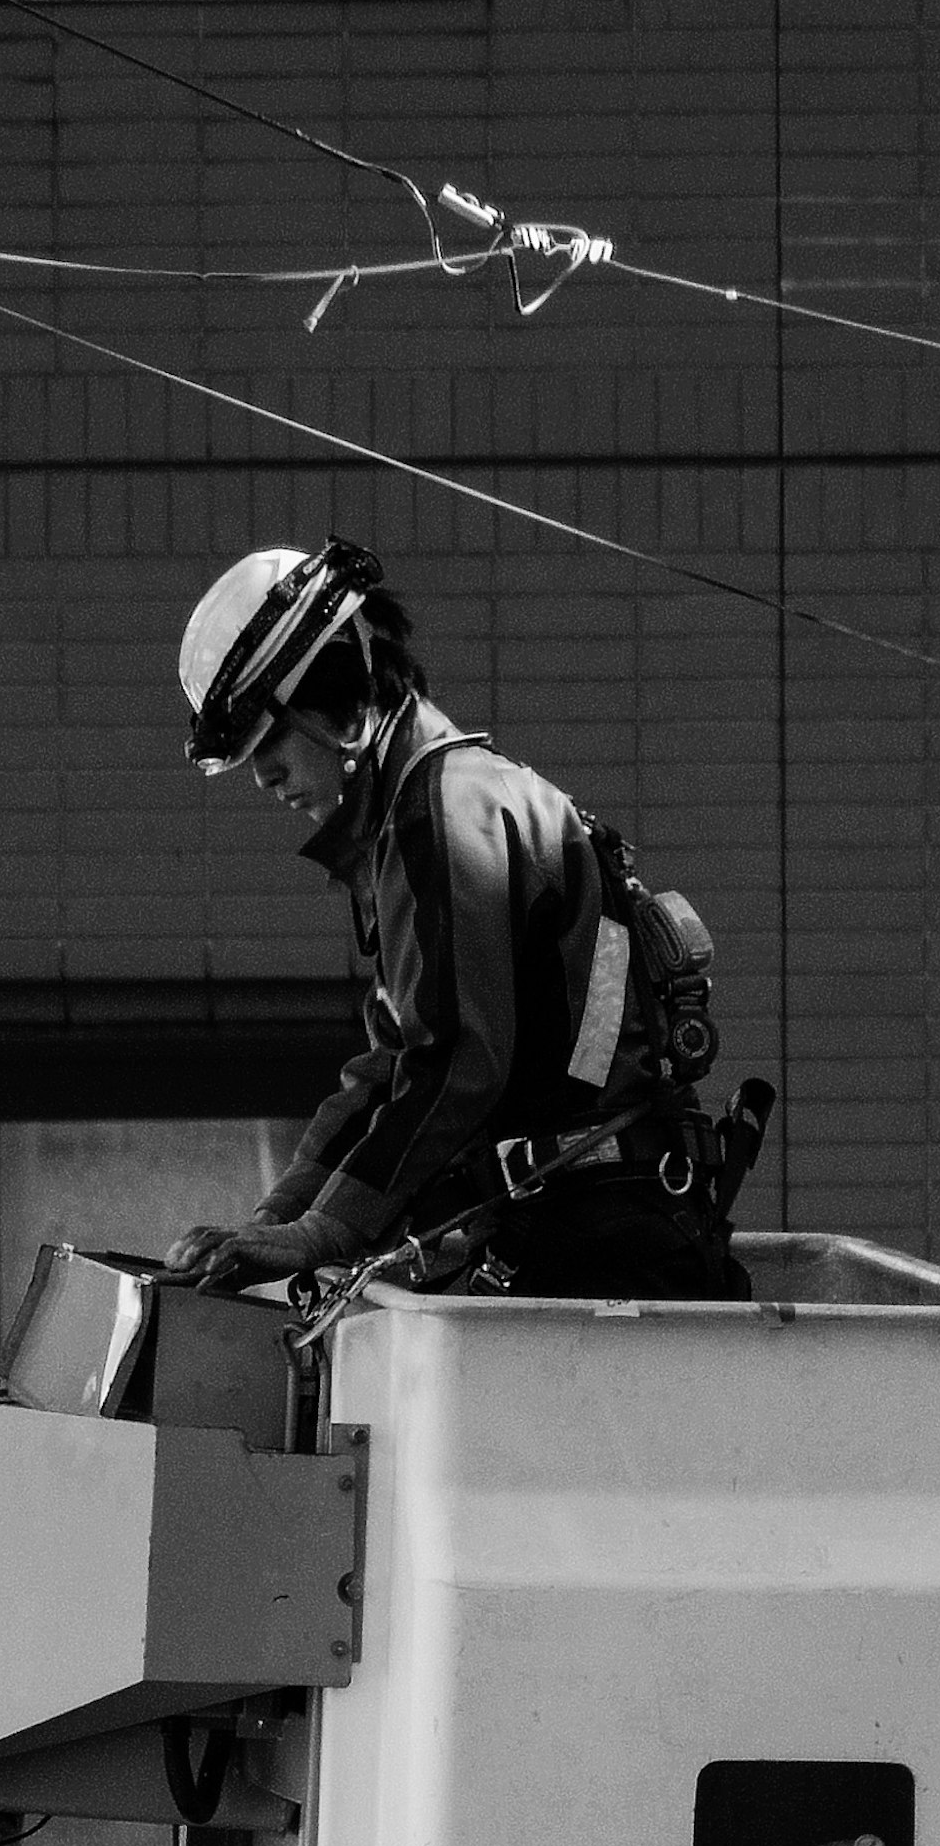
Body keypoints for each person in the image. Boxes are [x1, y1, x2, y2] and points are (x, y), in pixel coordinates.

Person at [163, 535, 750, 1303]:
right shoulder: (457, 799)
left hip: (596, 1245)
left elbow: (452, 1065)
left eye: (269, 740)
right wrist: (284, 1211)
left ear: (344, 697)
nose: (266, 777)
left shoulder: (441, 817)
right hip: (615, 1221)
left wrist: (324, 1229)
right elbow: (400, 1066)